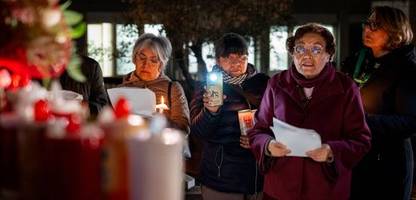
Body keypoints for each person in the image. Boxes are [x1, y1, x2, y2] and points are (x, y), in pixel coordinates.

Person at [248, 23, 371, 200]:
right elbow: (258, 131)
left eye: (316, 49)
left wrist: (331, 151)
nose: (306, 55)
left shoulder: (346, 88)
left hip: (326, 189)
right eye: (299, 49)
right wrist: (268, 146)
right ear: (292, 53)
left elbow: (361, 140)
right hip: (280, 188)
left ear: (329, 55)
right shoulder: (276, 84)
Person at [341, 6, 416, 200]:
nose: (367, 29)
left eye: (376, 25)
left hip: (389, 163)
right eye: (368, 24)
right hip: (358, 158)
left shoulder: (407, 70)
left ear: (395, 31)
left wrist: (363, 120)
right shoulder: (358, 62)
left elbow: (410, 122)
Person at [190, 33, 269, 200]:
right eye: (229, 58)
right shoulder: (207, 86)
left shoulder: (263, 84)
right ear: (218, 60)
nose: (236, 63)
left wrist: (262, 138)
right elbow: (198, 132)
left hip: (259, 175)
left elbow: (278, 120)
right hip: (221, 177)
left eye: (242, 58)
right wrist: (211, 111)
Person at [120, 33, 190, 134]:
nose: (146, 64)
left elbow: (183, 129)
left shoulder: (172, 89)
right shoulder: (122, 89)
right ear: (135, 58)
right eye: (142, 57)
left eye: (153, 60)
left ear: (161, 64)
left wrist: (161, 122)